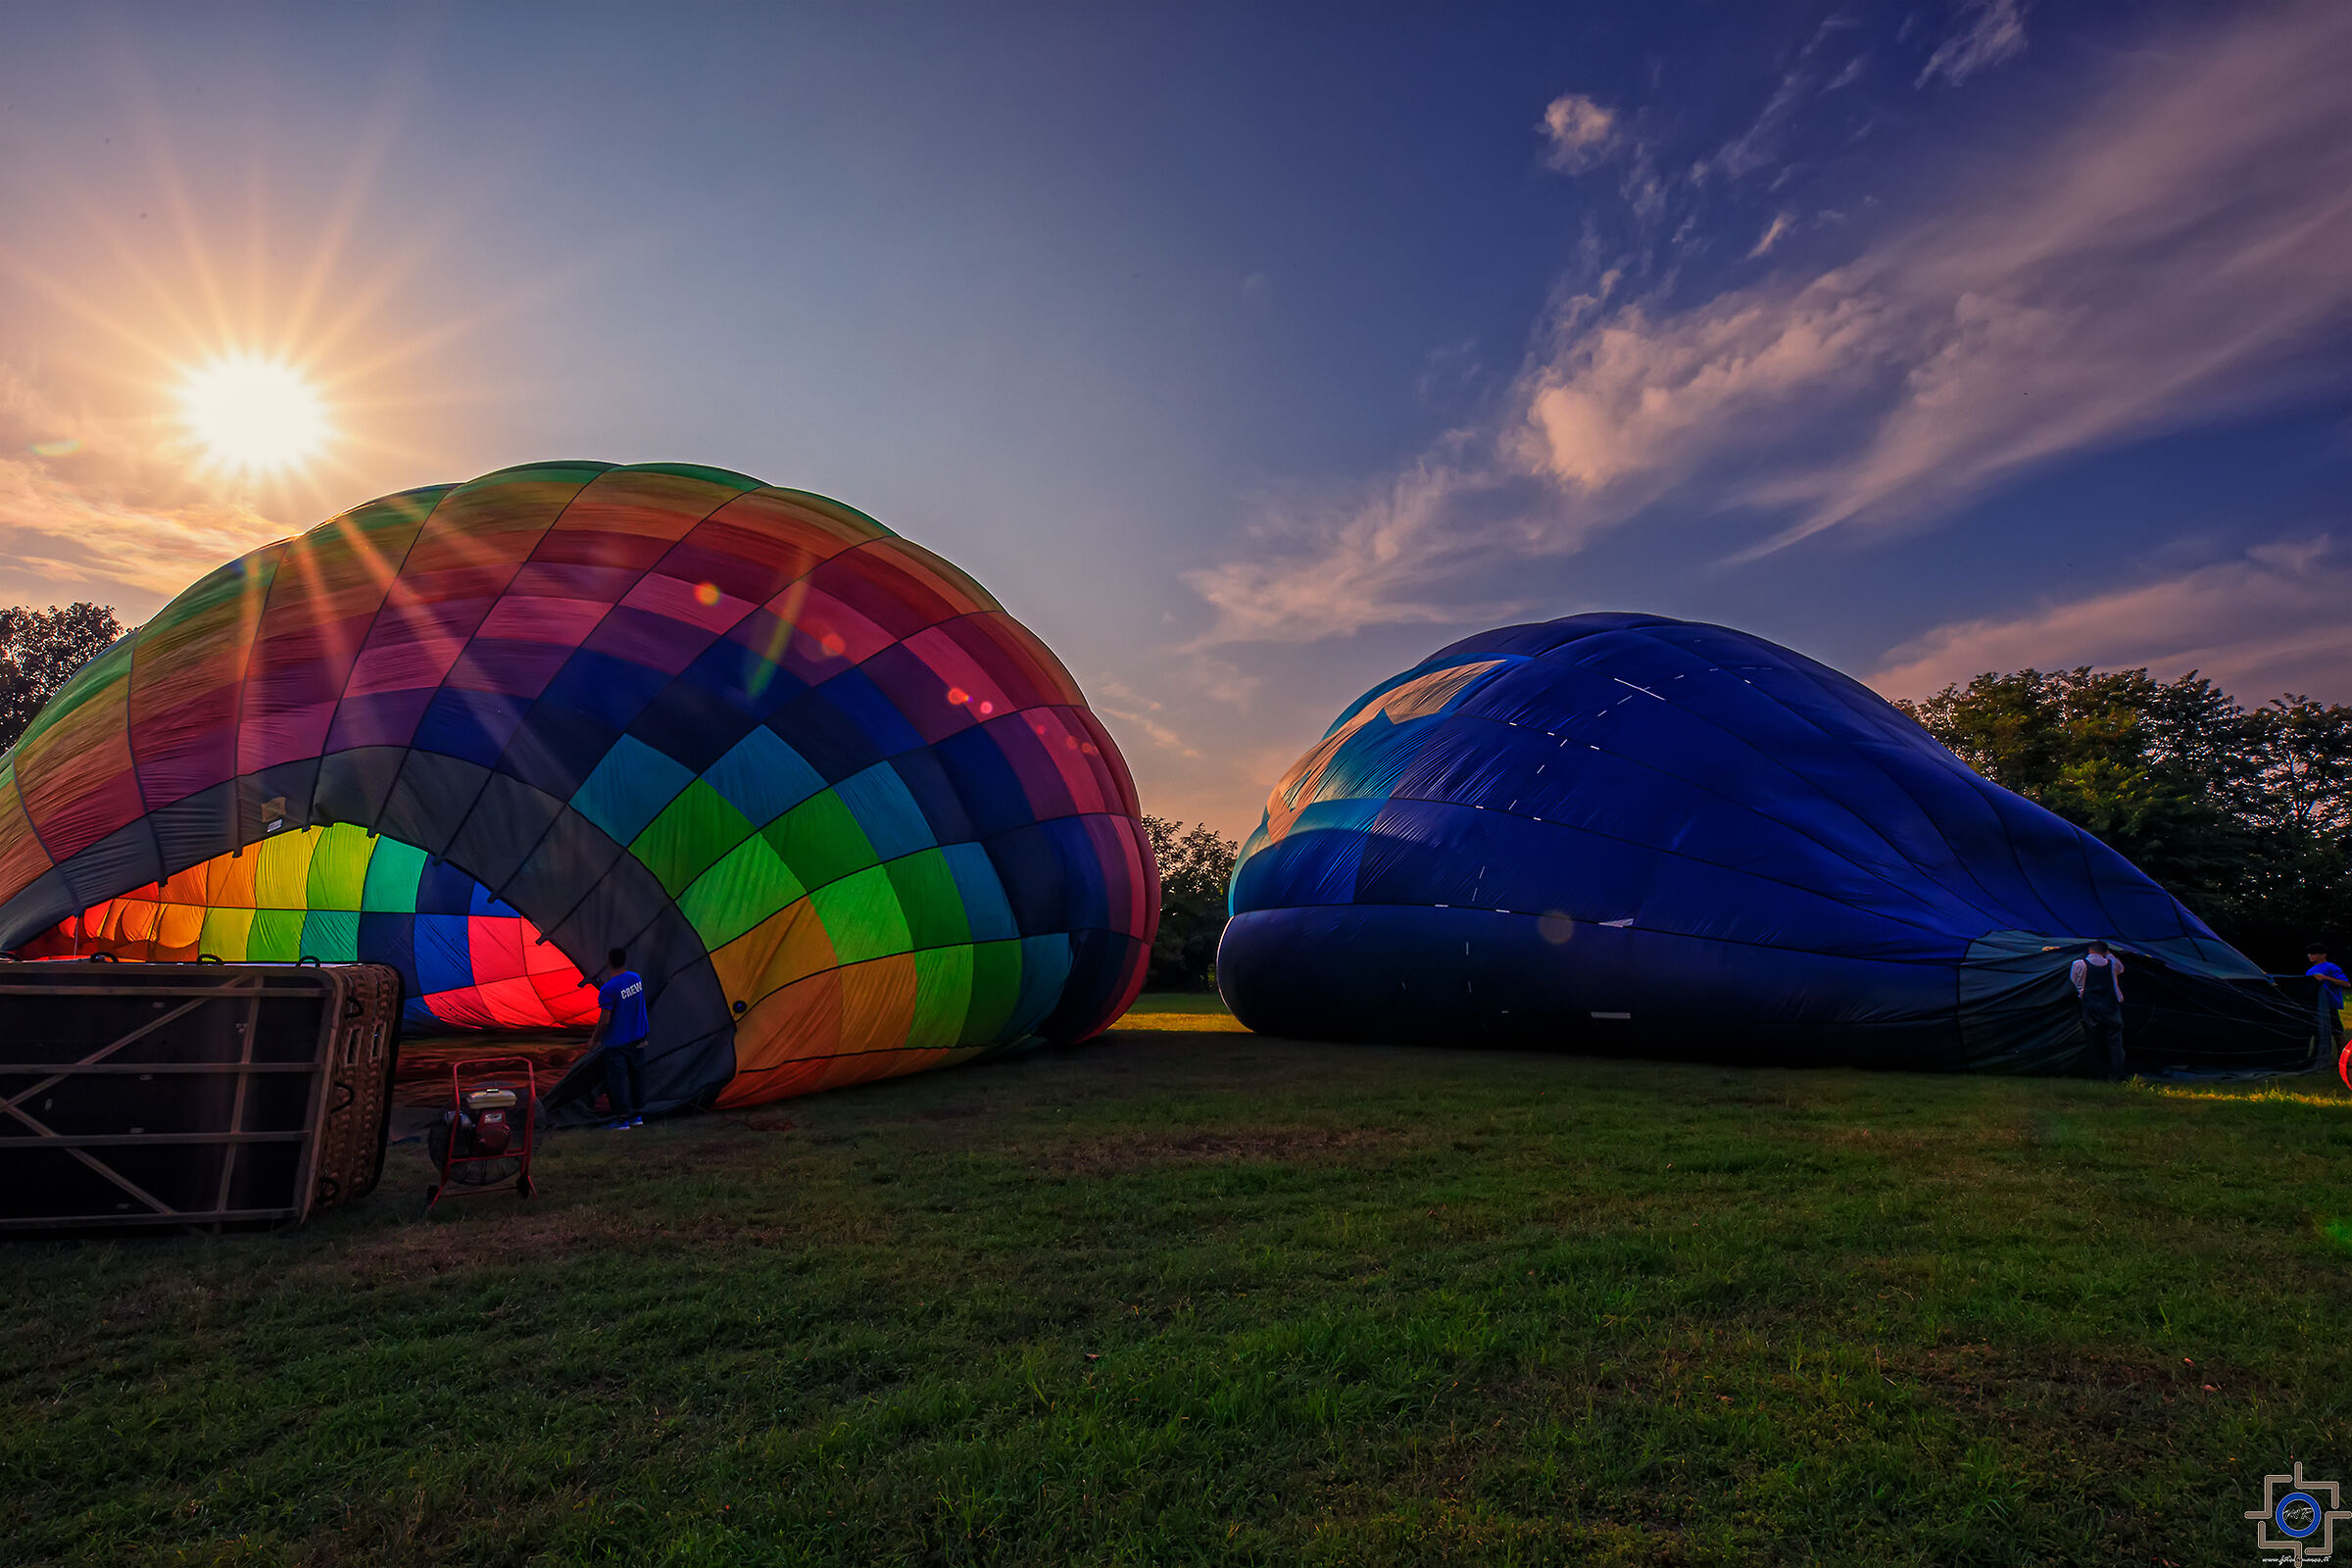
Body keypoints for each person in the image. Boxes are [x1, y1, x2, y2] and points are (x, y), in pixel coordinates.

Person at [594, 948, 650, 1130]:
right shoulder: (636, 979)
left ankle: (621, 1119)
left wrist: (594, 1039)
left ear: (608, 961)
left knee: (617, 1081)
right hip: (638, 1036)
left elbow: (605, 1020)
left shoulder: (608, 989)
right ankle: (637, 1116)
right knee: (637, 1076)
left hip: (617, 1041)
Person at [2070, 939, 2128, 1081]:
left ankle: (2099, 1074)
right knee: (2115, 1042)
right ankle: (2118, 1074)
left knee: (2094, 1040)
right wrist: (2109, 954)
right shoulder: (2113, 964)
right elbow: (2121, 969)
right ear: (2105, 951)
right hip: (2111, 1005)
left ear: (2090, 950)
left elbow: (2075, 983)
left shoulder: (2079, 964)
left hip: (2090, 1005)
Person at [2310, 944, 2348, 1071]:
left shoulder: (2331, 967)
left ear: (2323, 955)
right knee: (2318, 1032)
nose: (2310, 955)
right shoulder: (2310, 971)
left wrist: (2325, 978)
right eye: (2309, 953)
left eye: (2313, 953)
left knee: (2337, 1033)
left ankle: (2344, 1060)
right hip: (2317, 1006)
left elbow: (2346, 983)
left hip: (2330, 1005)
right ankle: (2318, 1059)